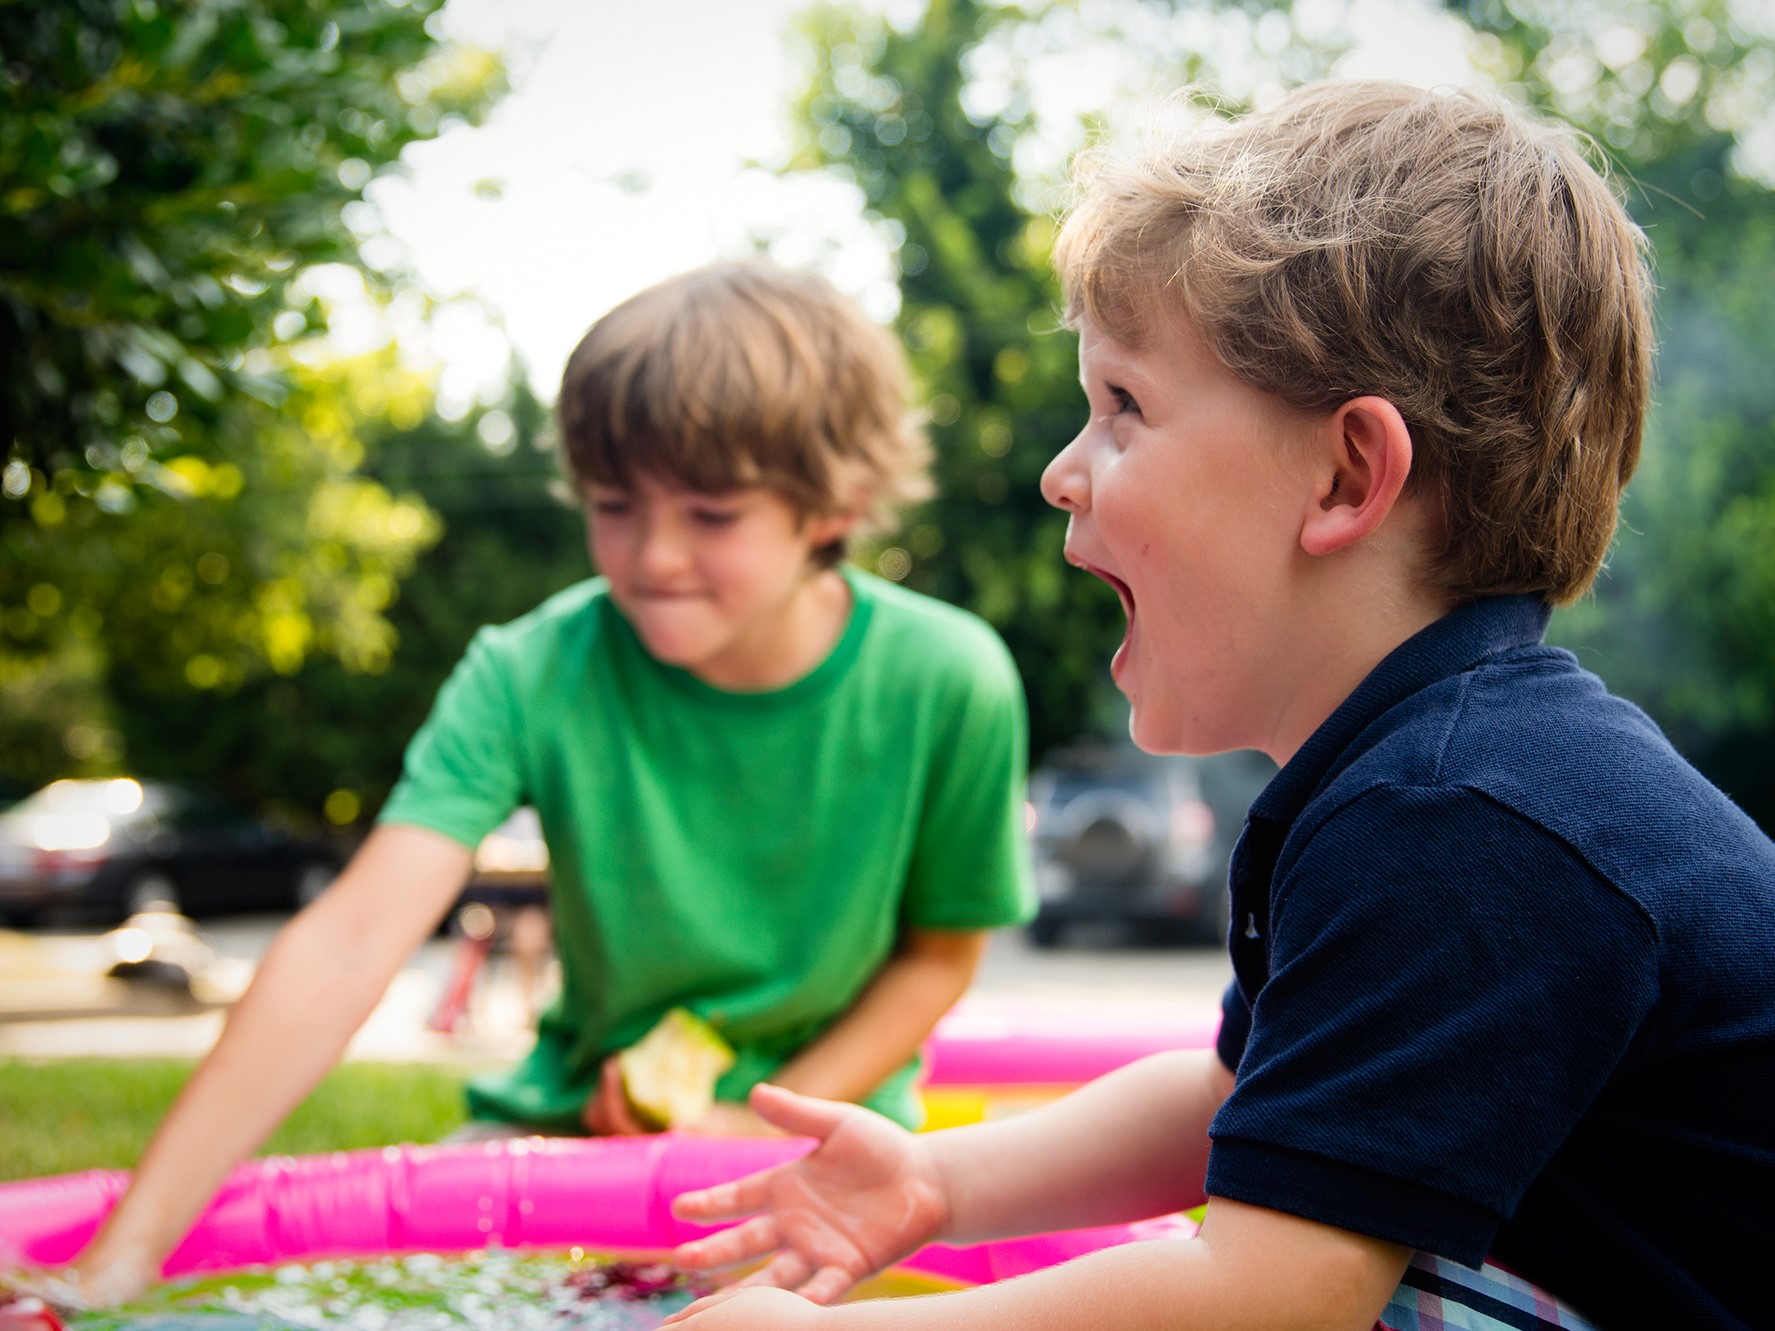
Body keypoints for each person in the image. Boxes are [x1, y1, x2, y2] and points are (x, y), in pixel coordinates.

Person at [657, 82, 1775, 1331]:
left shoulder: (1464, 818)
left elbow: (1267, 1296)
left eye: (1123, 407)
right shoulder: (1421, 775)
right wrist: (934, 1179)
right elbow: (1233, 1097)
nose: (1059, 471)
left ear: (1346, 473)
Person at [64, 261, 1035, 1305]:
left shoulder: (949, 678)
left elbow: (937, 956)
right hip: (565, 1131)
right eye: (613, 506)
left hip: (824, 1143)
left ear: (831, 504)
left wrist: (758, 1116)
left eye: (710, 514)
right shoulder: (528, 669)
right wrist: (121, 1255)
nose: (653, 555)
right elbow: (348, 942)